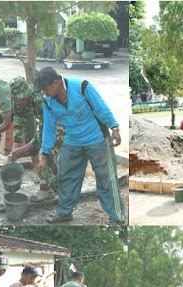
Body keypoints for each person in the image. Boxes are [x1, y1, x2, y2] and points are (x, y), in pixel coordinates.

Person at [33, 67, 126, 225]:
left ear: (56, 82)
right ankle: (65, 211)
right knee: (67, 176)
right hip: (73, 140)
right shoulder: (48, 101)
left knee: (106, 179)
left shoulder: (82, 87)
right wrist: (44, 155)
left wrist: (114, 127)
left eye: (46, 88)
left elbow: (100, 107)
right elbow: (49, 127)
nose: (44, 93)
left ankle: (117, 217)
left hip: (97, 139)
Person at [7, 76, 58, 202]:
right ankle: (51, 187)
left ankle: (48, 190)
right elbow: (19, 124)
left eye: (20, 98)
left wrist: (24, 149)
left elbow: (46, 131)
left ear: (27, 94)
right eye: (15, 99)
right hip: (46, 127)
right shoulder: (18, 101)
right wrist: (14, 151)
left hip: (59, 124)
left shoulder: (40, 100)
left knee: (49, 155)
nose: (17, 102)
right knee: (44, 153)